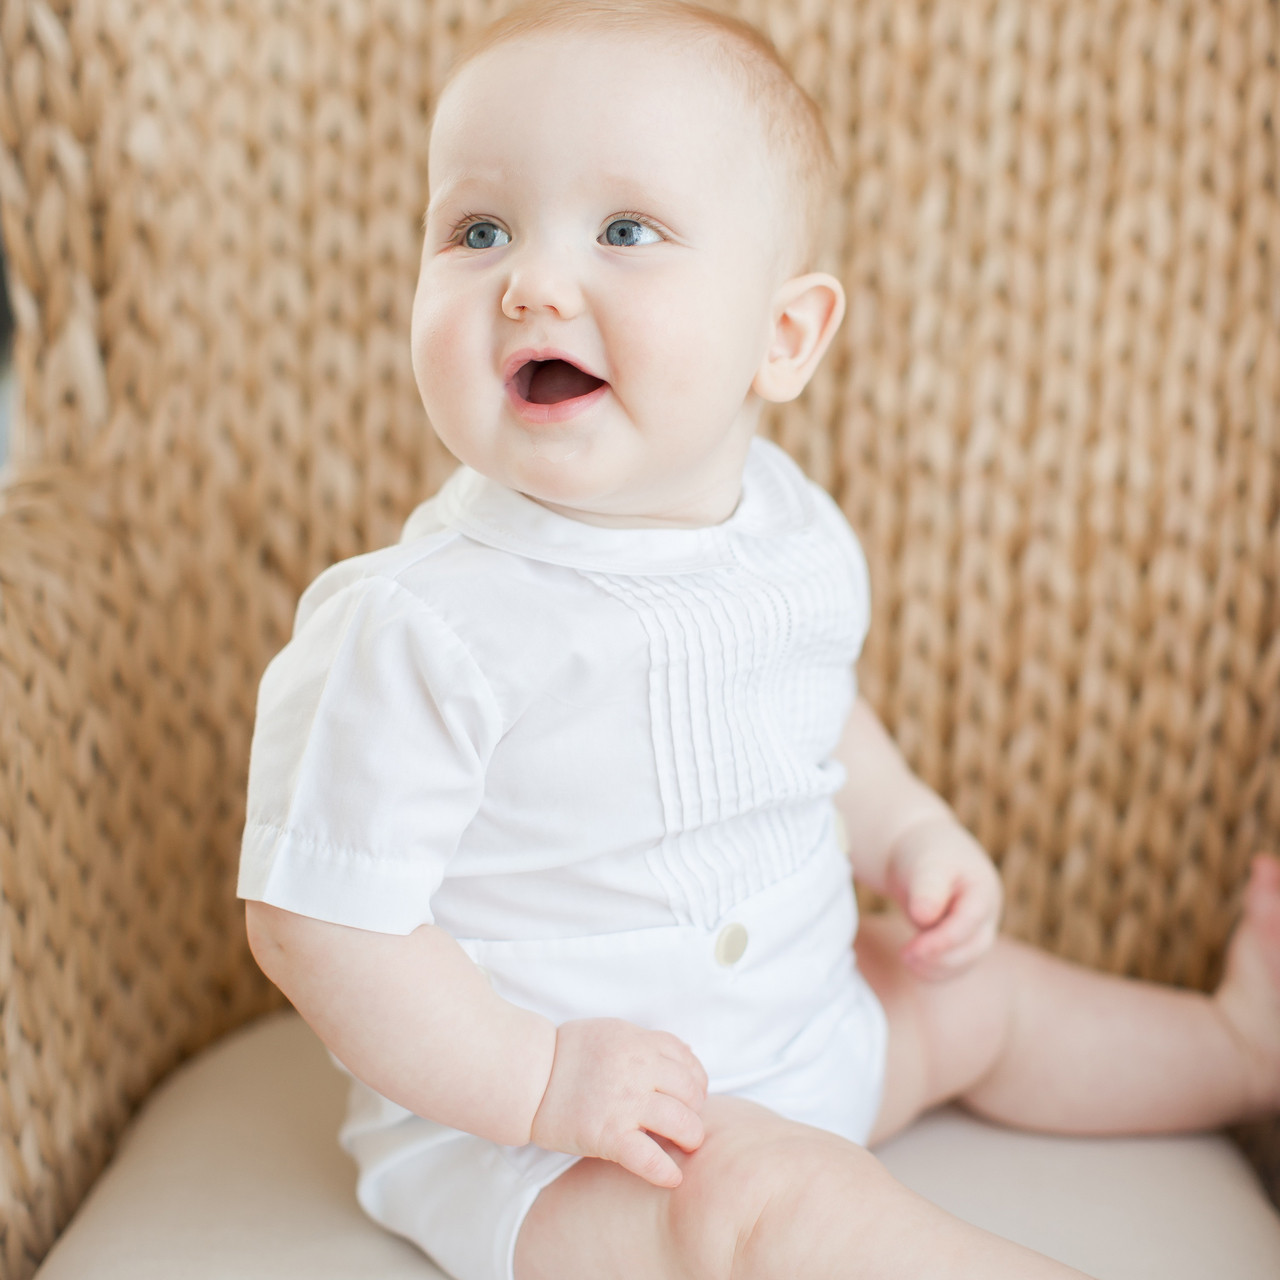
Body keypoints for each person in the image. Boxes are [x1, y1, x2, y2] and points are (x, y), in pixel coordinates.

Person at [238, 3, 1280, 1278]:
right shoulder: (416, 626)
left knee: (979, 992)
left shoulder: (786, 526)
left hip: (811, 1029)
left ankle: (1233, 1049)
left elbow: (810, 707)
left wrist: (905, 830)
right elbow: (316, 919)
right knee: (771, 1202)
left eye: (624, 231)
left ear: (782, 336)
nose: (529, 279)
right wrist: (538, 1076)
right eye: (476, 229)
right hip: (564, 1148)